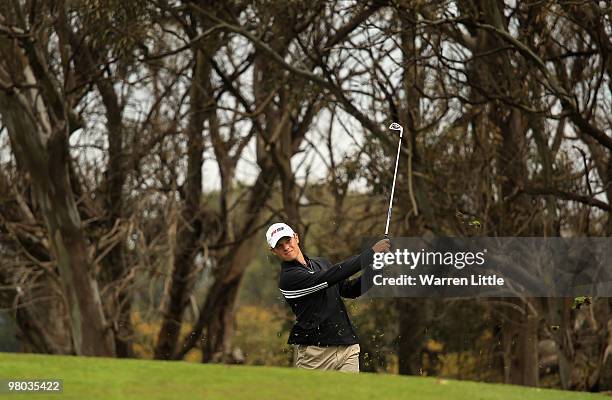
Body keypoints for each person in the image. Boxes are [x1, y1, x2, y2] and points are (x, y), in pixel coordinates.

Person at [266, 222, 390, 372]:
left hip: (347, 348)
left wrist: (376, 269)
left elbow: (350, 290)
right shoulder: (289, 279)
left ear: (296, 238)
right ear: (273, 251)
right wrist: (371, 253)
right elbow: (330, 277)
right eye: (280, 245)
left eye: (288, 241)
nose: (286, 247)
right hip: (315, 356)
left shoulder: (321, 263)